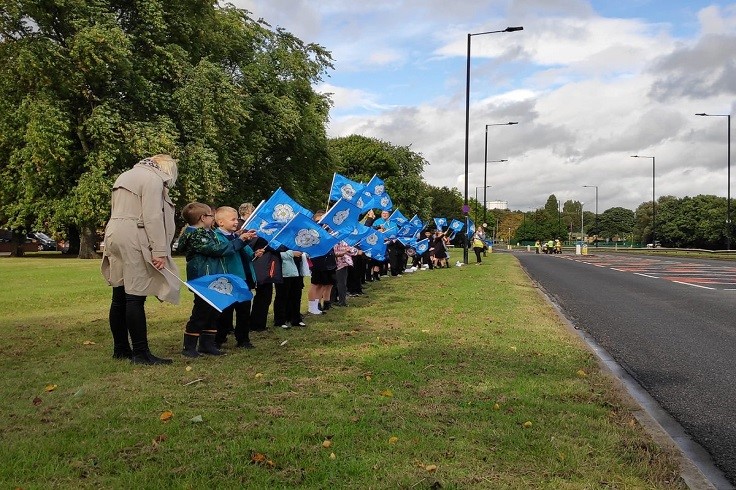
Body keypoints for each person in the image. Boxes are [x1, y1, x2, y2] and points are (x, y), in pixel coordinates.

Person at [101, 154, 180, 365]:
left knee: (119, 295)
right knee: (135, 295)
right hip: (134, 234)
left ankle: (121, 348)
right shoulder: (152, 179)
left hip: (114, 233)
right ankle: (141, 353)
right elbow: (152, 216)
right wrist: (159, 250)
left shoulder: (125, 175)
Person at [177, 202, 251, 357]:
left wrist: (236, 236)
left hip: (213, 278)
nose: (213, 219)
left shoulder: (205, 232)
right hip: (203, 279)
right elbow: (218, 249)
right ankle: (189, 347)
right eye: (211, 215)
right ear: (203, 218)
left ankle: (207, 344)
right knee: (201, 313)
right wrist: (239, 241)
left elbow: (219, 243)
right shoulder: (196, 234)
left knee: (213, 311)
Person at [213, 206, 260, 349]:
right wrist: (241, 239)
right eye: (232, 219)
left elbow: (246, 251)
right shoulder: (217, 237)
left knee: (244, 310)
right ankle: (218, 339)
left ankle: (243, 339)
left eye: (236, 219)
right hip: (229, 279)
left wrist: (255, 253)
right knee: (225, 311)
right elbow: (226, 250)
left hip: (243, 279)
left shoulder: (235, 236)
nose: (236, 222)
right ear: (221, 222)